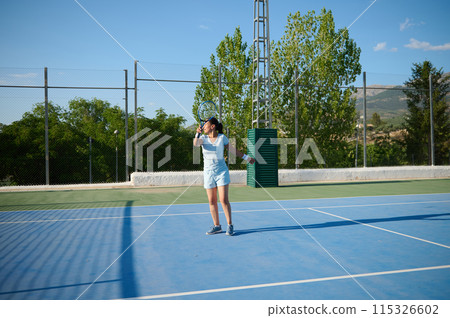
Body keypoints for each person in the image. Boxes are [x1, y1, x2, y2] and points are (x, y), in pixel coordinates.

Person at [193, 117, 255, 236]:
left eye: (206, 124)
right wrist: (197, 133)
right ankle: (217, 226)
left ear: (213, 126)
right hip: (208, 173)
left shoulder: (222, 138)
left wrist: (247, 158)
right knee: (212, 201)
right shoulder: (203, 138)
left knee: (223, 200)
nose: (203, 125)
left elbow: (234, 151)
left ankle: (230, 225)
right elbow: (196, 144)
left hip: (221, 172)